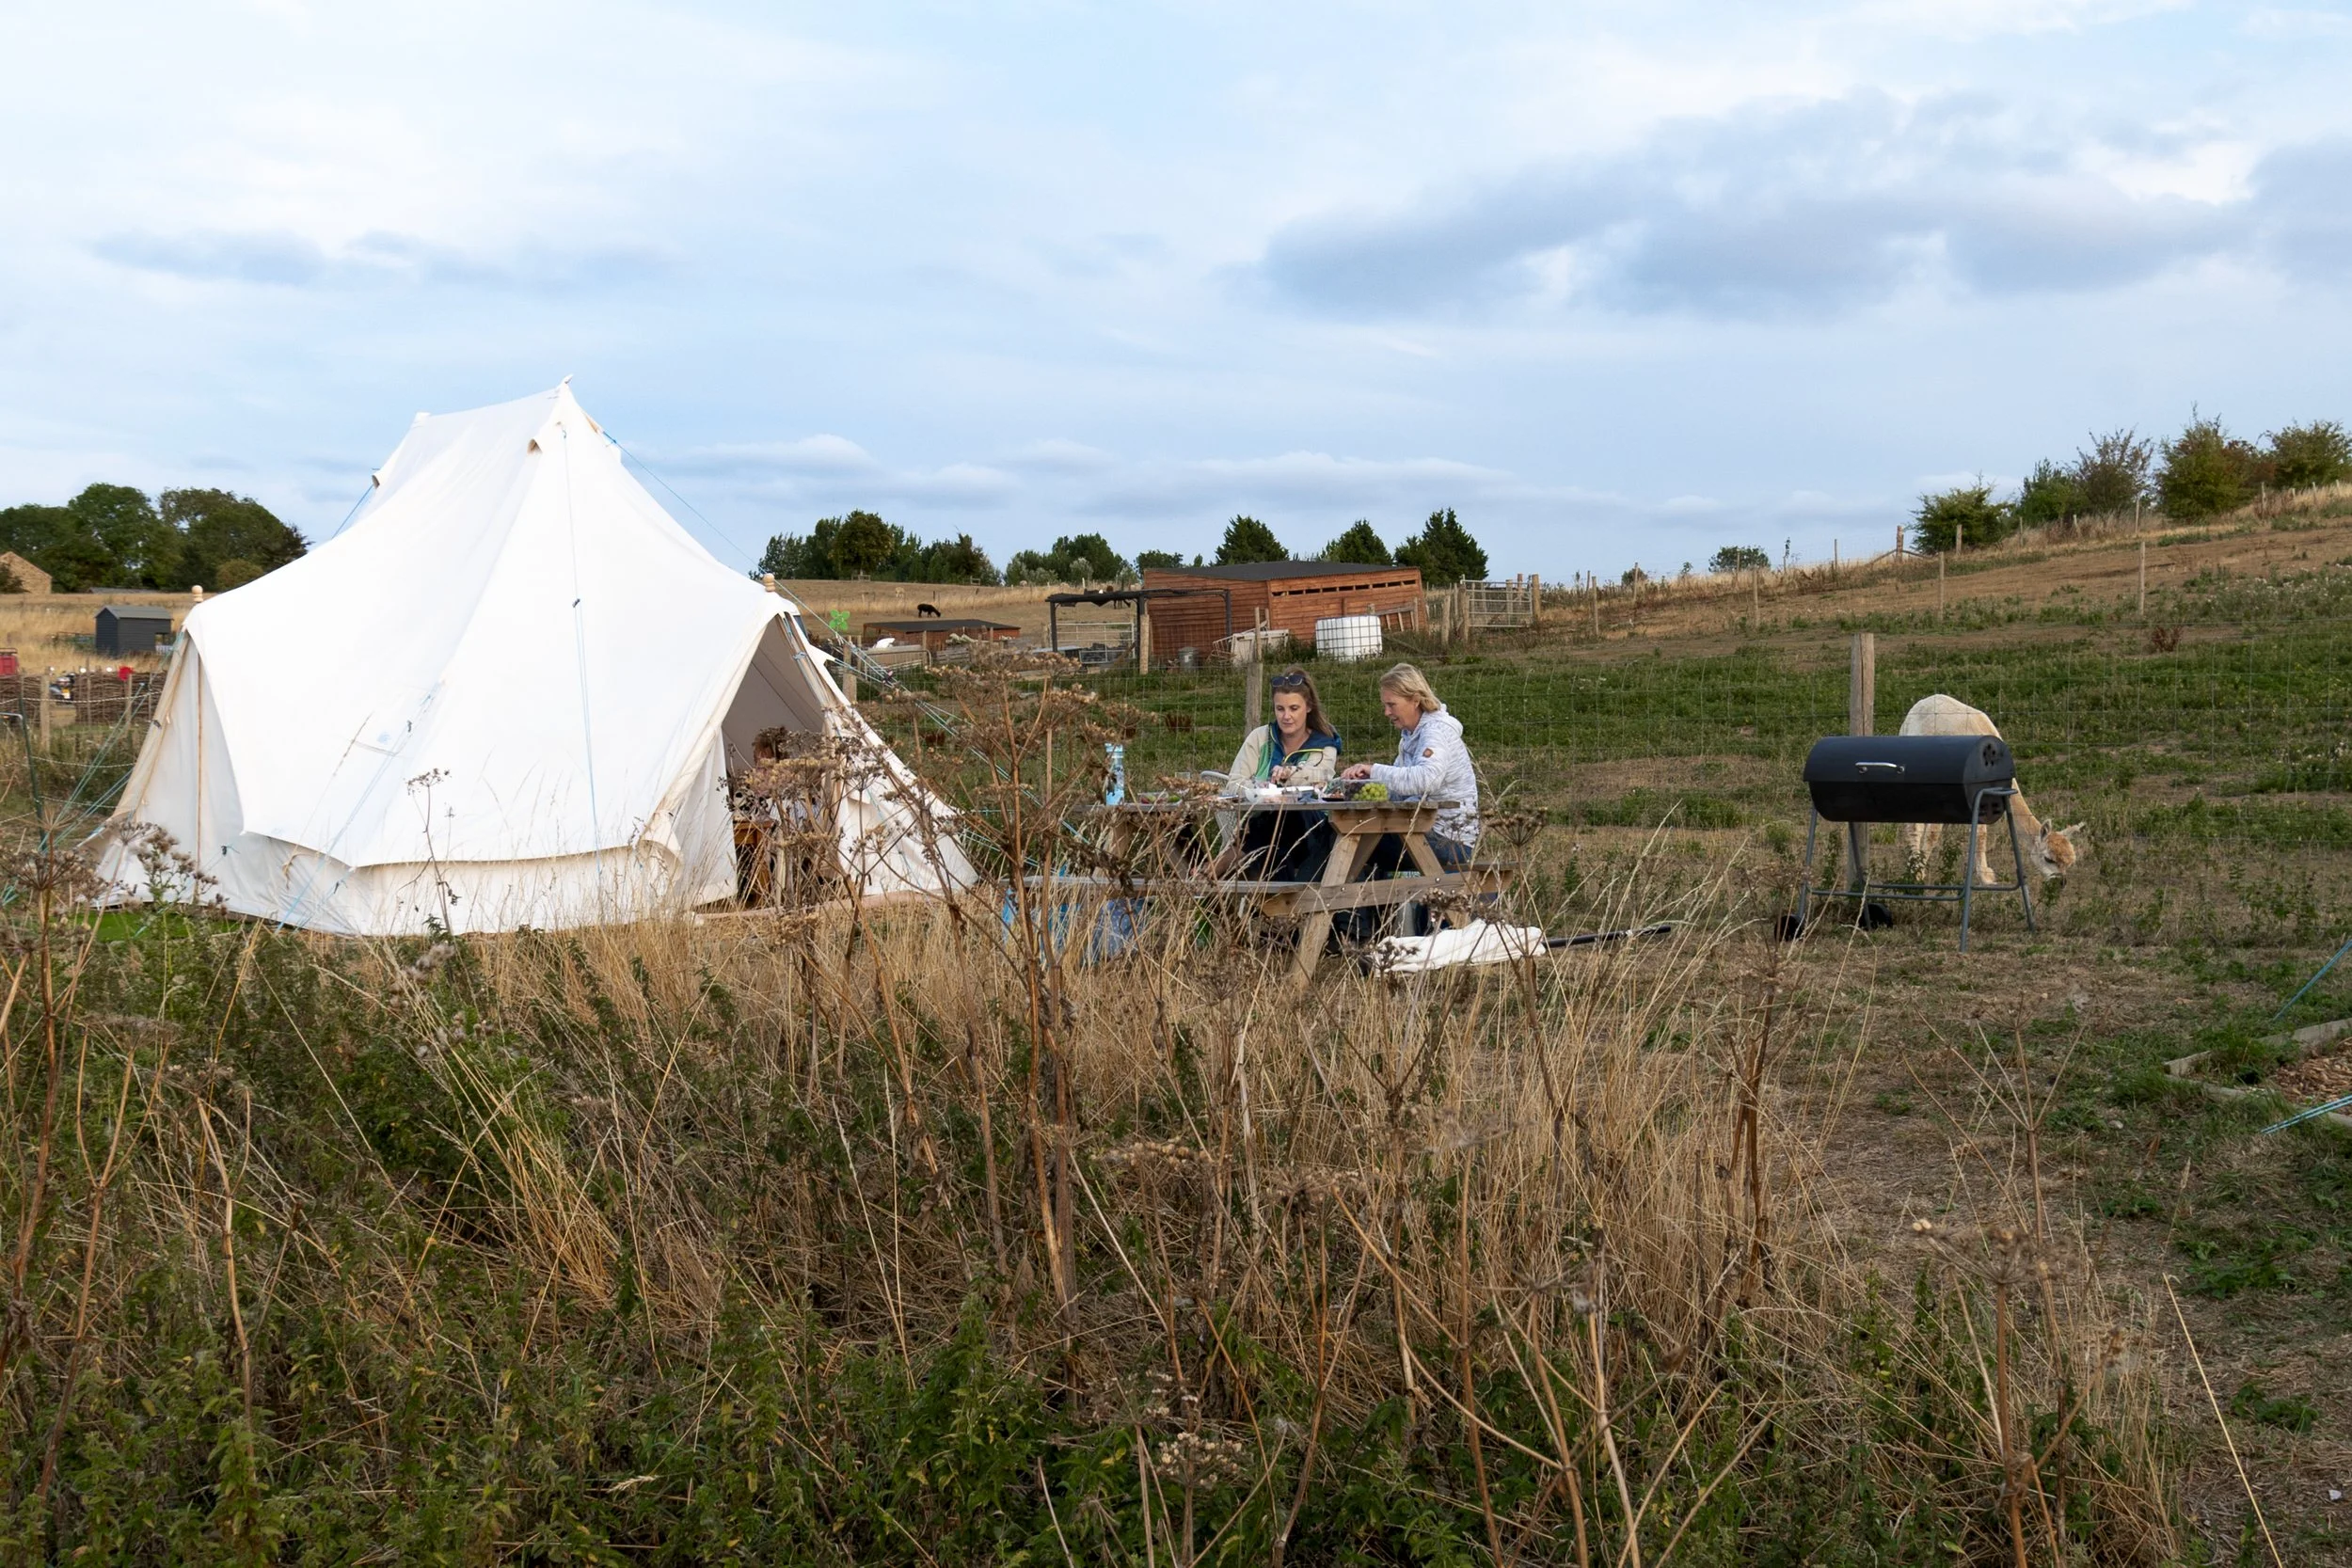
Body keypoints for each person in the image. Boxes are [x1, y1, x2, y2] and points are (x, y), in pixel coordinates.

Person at [1340, 662, 1479, 865]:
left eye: (1391, 704)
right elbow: (1400, 789)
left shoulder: (1435, 733)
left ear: (1415, 700)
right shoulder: (1411, 736)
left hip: (1450, 840)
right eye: (1385, 705)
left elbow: (1425, 780)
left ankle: (1320, 895)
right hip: (1425, 829)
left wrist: (1374, 770)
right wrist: (1362, 784)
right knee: (1349, 836)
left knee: (1351, 839)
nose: (1386, 712)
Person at [1223, 667, 1341, 878]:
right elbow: (1233, 783)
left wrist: (1289, 775)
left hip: (1311, 832)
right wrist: (1258, 790)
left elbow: (1321, 777)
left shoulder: (1325, 744)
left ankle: (1215, 867)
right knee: (1270, 828)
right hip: (1267, 831)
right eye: (1280, 709)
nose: (1286, 716)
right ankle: (1277, 901)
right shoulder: (1260, 737)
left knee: (1277, 817)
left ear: (1309, 707)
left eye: (1294, 708)